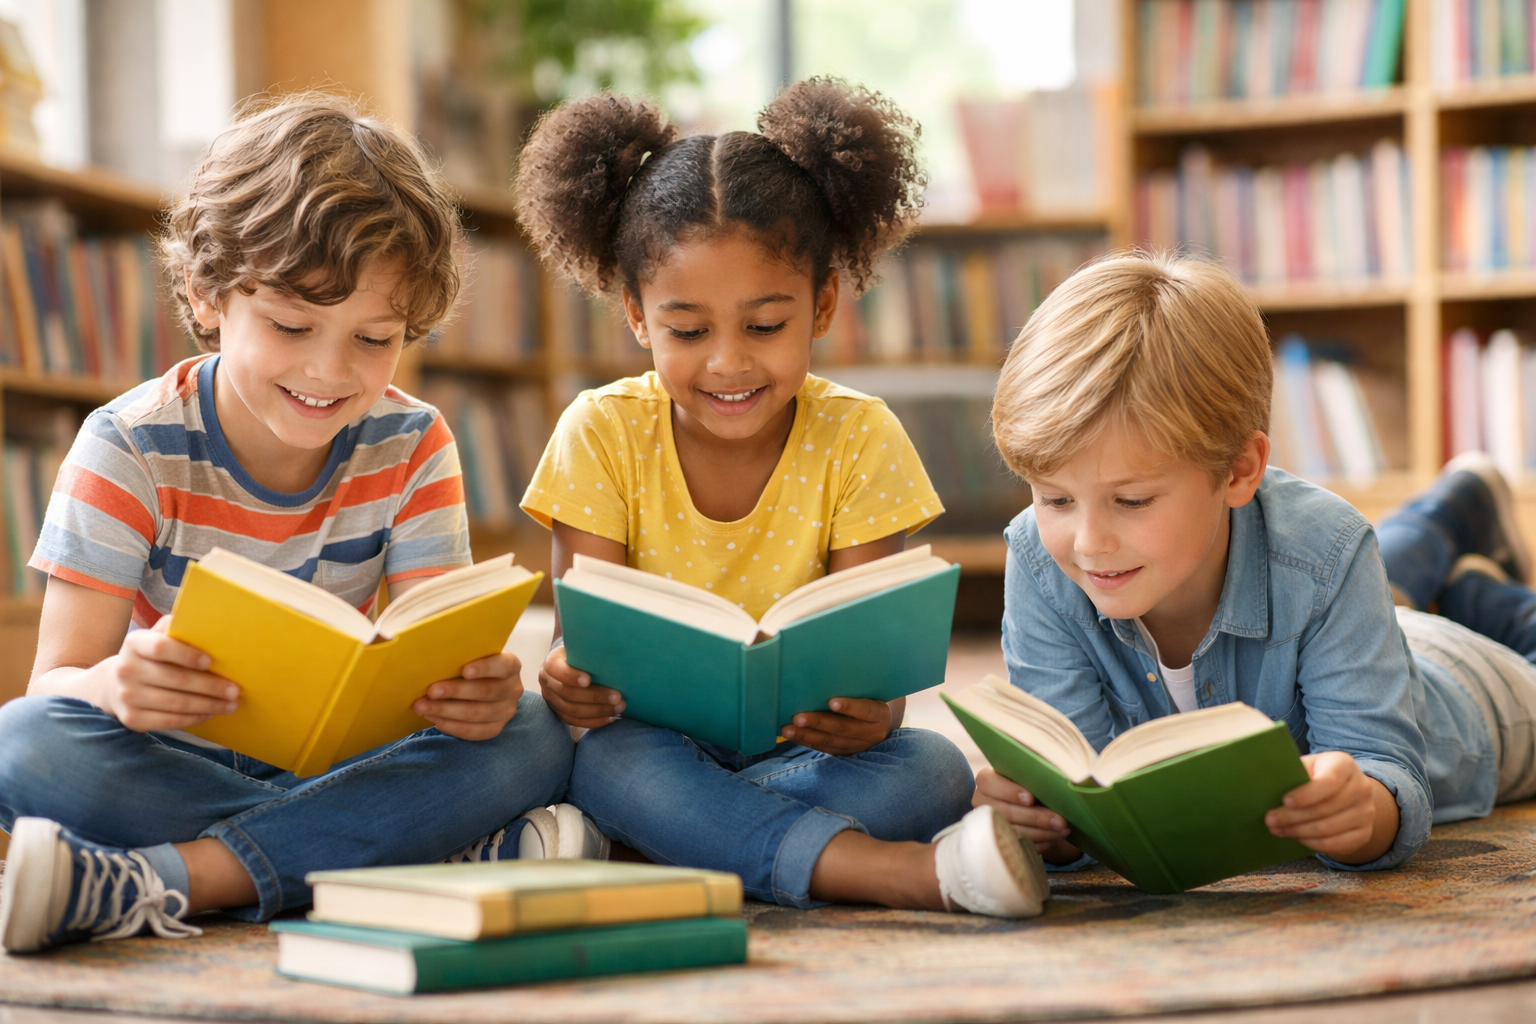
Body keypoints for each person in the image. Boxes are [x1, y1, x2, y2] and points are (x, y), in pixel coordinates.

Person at [0, 96, 574, 954]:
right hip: (176, 758)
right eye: (291, 325)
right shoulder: (128, 444)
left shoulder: (413, 442)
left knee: (536, 733)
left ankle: (167, 879)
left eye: (374, 339)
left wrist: (474, 695)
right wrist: (116, 685)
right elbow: (59, 684)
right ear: (206, 294)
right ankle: (401, 852)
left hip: (347, 760)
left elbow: (435, 647)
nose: (328, 371)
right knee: (21, 744)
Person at [515, 81, 1049, 918]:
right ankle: (877, 872)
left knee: (932, 772)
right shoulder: (601, 432)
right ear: (636, 316)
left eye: (765, 326)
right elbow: (582, 652)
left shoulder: (862, 438)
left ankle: (652, 848)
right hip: (654, 746)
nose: (728, 363)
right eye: (688, 331)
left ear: (823, 304)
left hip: (802, 754)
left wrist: (871, 718)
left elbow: (877, 676)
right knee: (602, 762)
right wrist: (566, 683)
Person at [975, 250, 1536, 873]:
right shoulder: (1038, 556)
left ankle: (1485, 597)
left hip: (1479, 692)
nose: (1086, 542)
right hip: (1368, 626)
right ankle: (1458, 543)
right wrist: (1042, 822)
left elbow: (1383, 771)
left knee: (1360, 576)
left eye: (1131, 500)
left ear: (1240, 470)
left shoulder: (1326, 550)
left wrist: (1361, 813)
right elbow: (1080, 795)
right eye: (1055, 498)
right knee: (1368, 587)